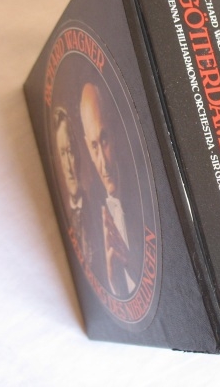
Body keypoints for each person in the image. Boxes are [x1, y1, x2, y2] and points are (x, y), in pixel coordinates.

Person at [79, 82, 138, 298]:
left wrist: (131, 266)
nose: (103, 164)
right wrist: (115, 286)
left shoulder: (141, 194)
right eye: (94, 146)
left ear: (115, 132)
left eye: (104, 140)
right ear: (87, 147)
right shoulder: (91, 216)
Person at [53, 106, 92, 266]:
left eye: (70, 152)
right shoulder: (62, 216)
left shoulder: (95, 209)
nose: (68, 166)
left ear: (77, 154)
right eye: (62, 153)